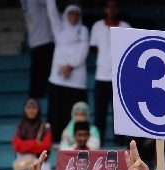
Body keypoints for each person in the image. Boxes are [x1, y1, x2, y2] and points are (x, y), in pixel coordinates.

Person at [46, 0, 89, 141]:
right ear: (65, 15)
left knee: (74, 111)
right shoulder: (59, 29)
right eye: (71, 13)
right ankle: (57, 139)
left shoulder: (83, 30)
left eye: (77, 14)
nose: (74, 17)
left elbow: (83, 50)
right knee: (57, 111)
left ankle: (74, 140)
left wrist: (70, 66)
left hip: (76, 80)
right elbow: (51, 10)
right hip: (58, 78)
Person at [89, 0, 130, 145]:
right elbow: (97, 48)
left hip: (119, 77)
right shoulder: (97, 27)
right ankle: (97, 143)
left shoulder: (125, 27)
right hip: (101, 76)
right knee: (100, 113)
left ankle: (119, 144)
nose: (111, 10)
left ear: (118, 9)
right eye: (109, 7)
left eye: (114, 7)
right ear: (105, 9)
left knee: (119, 113)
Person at [11, 99, 53, 170]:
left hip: (41, 168)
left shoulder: (45, 127)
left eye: (34, 107)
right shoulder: (20, 127)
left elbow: (46, 147)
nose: (31, 110)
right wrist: (35, 143)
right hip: (22, 169)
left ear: (39, 110)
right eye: (28, 108)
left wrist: (25, 145)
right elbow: (17, 146)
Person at [23, 0, 55, 99]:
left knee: (36, 76)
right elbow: (52, 5)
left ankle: (34, 100)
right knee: (49, 76)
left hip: (34, 42)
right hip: (44, 40)